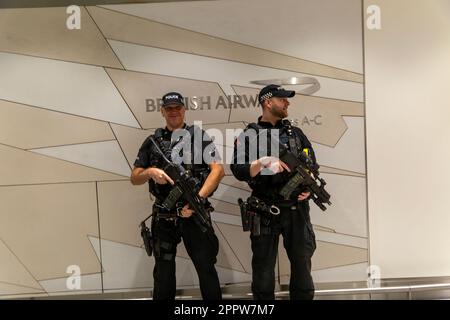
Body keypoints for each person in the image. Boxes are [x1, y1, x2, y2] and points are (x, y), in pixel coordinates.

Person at [130, 91, 224, 300]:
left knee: (206, 269)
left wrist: (197, 199)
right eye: (169, 108)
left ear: (184, 110)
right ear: (162, 111)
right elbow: (134, 177)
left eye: (177, 108)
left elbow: (217, 170)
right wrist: (150, 172)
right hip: (164, 217)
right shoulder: (152, 142)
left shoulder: (198, 137)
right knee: (163, 275)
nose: (174, 112)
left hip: (194, 214)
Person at [230, 84, 317, 300]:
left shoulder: (296, 134)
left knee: (302, 268)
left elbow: (313, 166)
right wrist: (261, 162)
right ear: (268, 102)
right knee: (263, 271)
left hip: (297, 210)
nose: (287, 102)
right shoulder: (249, 135)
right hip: (265, 210)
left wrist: (309, 189)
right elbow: (238, 170)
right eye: (282, 99)